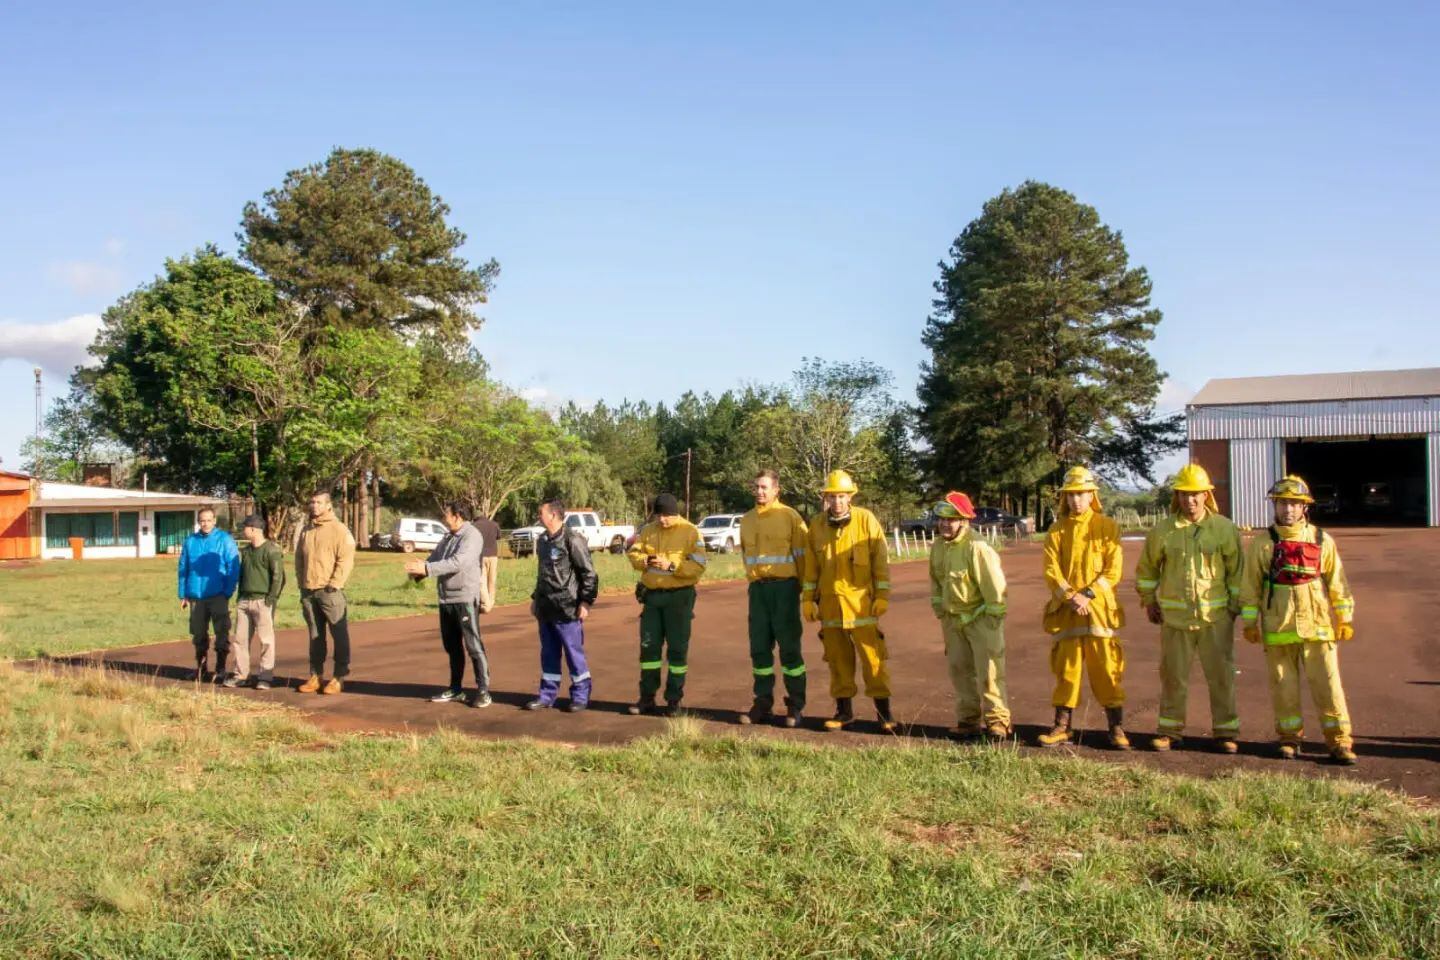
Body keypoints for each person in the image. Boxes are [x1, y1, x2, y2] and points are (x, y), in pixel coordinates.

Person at [1239, 475, 1358, 764]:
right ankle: (1289, 738)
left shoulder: (1322, 540)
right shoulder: (1262, 543)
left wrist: (1344, 617)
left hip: (1317, 626)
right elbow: (1250, 586)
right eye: (1282, 503)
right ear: (1275, 506)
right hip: (1278, 627)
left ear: (1305, 507)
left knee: (1328, 686)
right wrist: (1249, 622)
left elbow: (1337, 583)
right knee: (1283, 687)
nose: (1288, 509)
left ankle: (1339, 741)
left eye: (1294, 503)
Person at [1134, 465, 1243, 753]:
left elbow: (1236, 573)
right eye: (1183, 494)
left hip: (1215, 620)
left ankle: (1225, 732)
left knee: (1221, 676)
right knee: (1173, 677)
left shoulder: (1224, 529)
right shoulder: (1162, 531)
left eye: (1195, 494)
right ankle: (1169, 731)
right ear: (1177, 497)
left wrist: (1233, 608)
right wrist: (1149, 600)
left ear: (1207, 495)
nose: (1189, 501)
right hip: (1175, 621)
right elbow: (1147, 570)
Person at [1037, 466, 1129, 750]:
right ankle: (1062, 726)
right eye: (1071, 494)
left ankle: (1116, 728)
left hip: (1099, 610)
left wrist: (1087, 594)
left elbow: (1113, 569)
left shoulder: (1107, 527)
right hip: (1066, 612)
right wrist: (1070, 596)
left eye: (1081, 493)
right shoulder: (1057, 530)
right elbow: (1051, 570)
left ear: (1092, 495)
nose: (1076, 499)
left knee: (1106, 669)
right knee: (1067, 670)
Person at [801, 470, 895, 733]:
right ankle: (844, 713)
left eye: (841, 496)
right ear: (826, 498)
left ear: (850, 496)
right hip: (830, 608)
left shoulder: (866, 521)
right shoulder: (817, 526)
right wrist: (808, 600)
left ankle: (884, 714)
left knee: (873, 660)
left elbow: (880, 562)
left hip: (862, 606)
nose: (837, 502)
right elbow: (811, 569)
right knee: (837, 662)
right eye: (832, 497)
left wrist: (883, 596)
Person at [928, 491, 1010, 739]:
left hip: (981, 620)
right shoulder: (939, 546)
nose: (945, 523)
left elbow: (994, 587)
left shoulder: (977, 547)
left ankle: (998, 722)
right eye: (941, 518)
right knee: (960, 672)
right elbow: (936, 581)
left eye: (951, 519)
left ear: (964, 521)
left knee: (990, 673)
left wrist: (992, 619)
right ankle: (968, 721)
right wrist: (940, 610)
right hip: (953, 622)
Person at [737, 469, 810, 728]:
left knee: (789, 650)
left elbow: (803, 556)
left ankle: (795, 705)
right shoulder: (746, 520)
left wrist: (804, 591)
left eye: (764, 487)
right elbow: (747, 555)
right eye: (756, 486)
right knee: (759, 649)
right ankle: (762, 703)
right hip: (758, 591)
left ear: (776, 490)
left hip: (785, 589)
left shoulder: (790, 517)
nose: (759, 491)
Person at [626, 493, 706, 716]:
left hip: (679, 598)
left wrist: (671, 566)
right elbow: (633, 552)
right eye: (659, 515)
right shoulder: (649, 530)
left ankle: (673, 700)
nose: (662, 520)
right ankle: (646, 697)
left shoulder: (690, 531)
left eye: (667, 516)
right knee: (649, 648)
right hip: (652, 597)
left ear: (676, 513)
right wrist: (645, 561)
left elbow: (699, 565)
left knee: (677, 650)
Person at [406, 502, 492, 708]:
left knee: (473, 645)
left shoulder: (472, 536)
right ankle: (456, 689)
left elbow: (458, 562)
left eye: (447, 515)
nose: (445, 518)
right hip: (446, 599)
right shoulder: (447, 537)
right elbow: (435, 558)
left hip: (464, 598)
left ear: (458, 516)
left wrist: (427, 569)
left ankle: (483, 691)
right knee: (452, 646)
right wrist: (418, 571)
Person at [526, 498, 599, 712]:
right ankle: (547, 695)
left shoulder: (573, 539)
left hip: (567, 608)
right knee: (548, 653)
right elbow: (543, 575)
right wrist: (535, 599)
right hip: (546, 608)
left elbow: (589, 574)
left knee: (573, 653)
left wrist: (585, 602)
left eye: (541, 512)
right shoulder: (542, 541)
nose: (539, 516)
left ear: (553, 515)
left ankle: (580, 695)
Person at [295, 491, 357, 695]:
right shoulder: (307, 530)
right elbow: (299, 560)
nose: (314, 506)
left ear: (329, 506)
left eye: (319, 502)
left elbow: (346, 559)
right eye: (312, 502)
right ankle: (316, 675)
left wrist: (335, 583)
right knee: (315, 635)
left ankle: (339, 677)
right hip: (309, 590)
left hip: (330, 591)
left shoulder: (339, 529)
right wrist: (301, 583)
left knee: (339, 635)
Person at [177, 506, 240, 682]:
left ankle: (220, 668)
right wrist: (183, 593)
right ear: (198, 522)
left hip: (218, 593)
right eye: (202, 520)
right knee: (198, 633)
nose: (205, 523)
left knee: (221, 631)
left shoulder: (224, 539)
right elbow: (183, 567)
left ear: (214, 520)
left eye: (208, 520)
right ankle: (201, 668)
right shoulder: (191, 541)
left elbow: (233, 566)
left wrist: (227, 590)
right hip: (196, 595)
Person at [225, 514, 285, 690]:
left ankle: (265, 677)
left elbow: (278, 577)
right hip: (244, 600)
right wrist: (239, 596)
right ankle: (240, 674)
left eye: (245, 527)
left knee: (266, 640)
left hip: (262, 600)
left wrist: (271, 598)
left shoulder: (271, 550)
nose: (243, 531)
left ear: (253, 529)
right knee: (240, 640)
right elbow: (242, 574)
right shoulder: (246, 551)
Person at [472, 512, 501, 613]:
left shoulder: (474, 526)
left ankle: (485, 604)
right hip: (493, 555)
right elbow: (498, 536)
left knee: (482, 580)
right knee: (492, 580)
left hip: (481, 555)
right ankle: (491, 602)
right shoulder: (494, 524)